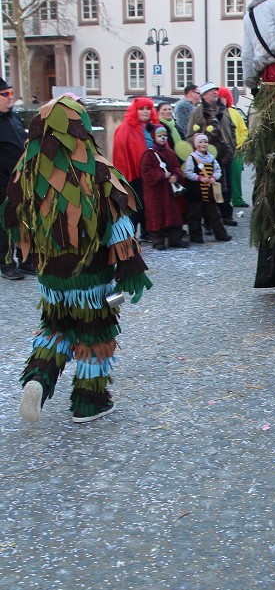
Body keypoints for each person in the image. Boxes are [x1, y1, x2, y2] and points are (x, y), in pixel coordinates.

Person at [2, 95, 152, 423]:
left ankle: (38, 379)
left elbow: (13, 223)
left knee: (56, 328)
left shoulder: (25, 175)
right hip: (91, 277)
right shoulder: (96, 171)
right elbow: (119, 225)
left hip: (51, 279)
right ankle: (89, 401)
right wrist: (130, 270)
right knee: (95, 333)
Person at [185, 82, 237, 227]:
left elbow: (232, 128)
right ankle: (210, 219)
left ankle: (226, 214)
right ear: (204, 95)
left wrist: (232, 144)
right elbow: (190, 134)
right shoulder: (198, 111)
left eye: (216, 90)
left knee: (226, 185)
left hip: (224, 153)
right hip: (206, 156)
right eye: (211, 90)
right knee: (209, 187)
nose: (215, 92)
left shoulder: (223, 109)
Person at [112, 97, 160, 236]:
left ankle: (147, 232)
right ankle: (128, 234)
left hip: (152, 173)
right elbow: (121, 153)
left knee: (150, 204)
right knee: (138, 206)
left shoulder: (153, 126)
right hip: (136, 174)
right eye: (141, 109)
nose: (145, 112)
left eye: (148, 109)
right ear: (135, 111)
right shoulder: (126, 128)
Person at [139, 124, 189, 250]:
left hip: (168, 191)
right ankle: (157, 241)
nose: (162, 138)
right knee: (156, 215)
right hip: (155, 192)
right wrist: (161, 175)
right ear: (154, 137)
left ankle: (175, 239)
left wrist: (176, 176)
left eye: (165, 136)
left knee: (173, 214)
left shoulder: (170, 153)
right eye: (159, 136)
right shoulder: (148, 155)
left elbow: (177, 167)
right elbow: (145, 172)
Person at [0, 77, 27, 280]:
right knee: (5, 224)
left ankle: (25, 259)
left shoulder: (14, 118)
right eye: (5, 94)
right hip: (2, 182)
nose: (11, 98)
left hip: (20, 179)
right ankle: (6, 263)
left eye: (11, 93)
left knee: (23, 221)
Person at [183, 133, 232, 244]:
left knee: (215, 214)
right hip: (196, 192)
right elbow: (188, 173)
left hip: (210, 193)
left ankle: (221, 234)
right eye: (200, 142)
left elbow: (218, 170)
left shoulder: (211, 158)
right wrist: (199, 178)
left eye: (205, 142)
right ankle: (195, 236)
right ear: (196, 144)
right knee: (195, 215)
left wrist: (214, 177)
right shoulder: (192, 158)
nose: (203, 144)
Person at [217, 87, 249, 207]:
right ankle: (223, 201)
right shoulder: (215, 113)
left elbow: (243, 130)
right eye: (220, 98)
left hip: (236, 150)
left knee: (236, 175)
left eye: (224, 97)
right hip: (222, 151)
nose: (222, 100)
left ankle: (237, 199)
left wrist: (239, 144)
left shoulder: (235, 113)